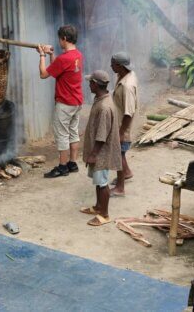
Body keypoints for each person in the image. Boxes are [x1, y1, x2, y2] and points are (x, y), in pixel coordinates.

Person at [37, 25, 84, 178]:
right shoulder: (77, 55)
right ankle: (72, 163)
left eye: (59, 39)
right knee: (73, 132)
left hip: (65, 103)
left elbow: (44, 74)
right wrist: (51, 55)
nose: (59, 42)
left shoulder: (64, 59)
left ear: (64, 38)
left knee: (62, 135)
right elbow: (59, 68)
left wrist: (42, 55)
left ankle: (62, 167)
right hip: (76, 101)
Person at [80, 70, 122, 226]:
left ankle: (104, 214)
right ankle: (98, 207)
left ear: (96, 84)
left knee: (103, 183)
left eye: (90, 82)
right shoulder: (101, 99)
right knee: (98, 182)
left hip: (101, 152)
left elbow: (102, 135)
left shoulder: (104, 106)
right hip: (99, 151)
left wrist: (94, 154)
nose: (88, 84)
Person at [109, 52, 139, 197]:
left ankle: (120, 188)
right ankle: (126, 173)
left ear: (119, 66)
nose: (110, 65)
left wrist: (121, 132)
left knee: (118, 154)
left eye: (112, 63)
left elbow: (129, 113)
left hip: (122, 125)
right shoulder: (125, 75)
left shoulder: (127, 86)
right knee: (120, 153)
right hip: (120, 122)